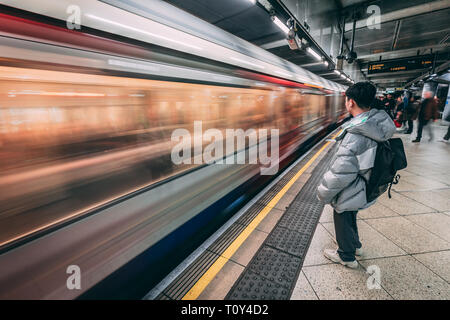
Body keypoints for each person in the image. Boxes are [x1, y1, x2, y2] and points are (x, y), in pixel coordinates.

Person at [317, 82, 396, 268]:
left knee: (342, 213)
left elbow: (341, 171)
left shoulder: (357, 134)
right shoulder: (374, 122)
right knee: (351, 213)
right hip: (366, 181)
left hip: (354, 184)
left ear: (350, 102)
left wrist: (323, 192)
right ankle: (355, 246)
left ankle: (346, 256)